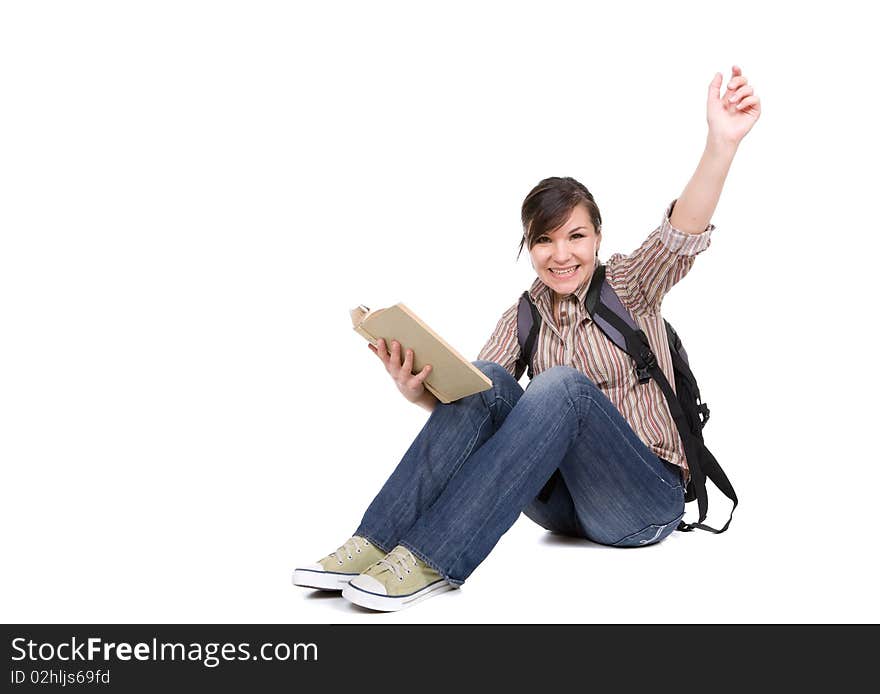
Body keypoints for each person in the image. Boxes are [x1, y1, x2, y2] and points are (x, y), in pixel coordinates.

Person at [293, 66, 761, 611]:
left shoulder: (631, 283)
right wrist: (416, 387)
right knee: (485, 381)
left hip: (641, 501)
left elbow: (681, 232)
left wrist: (720, 144)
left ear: (597, 238)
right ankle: (373, 542)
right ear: (529, 246)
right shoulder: (523, 313)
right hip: (563, 509)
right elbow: (469, 411)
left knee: (564, 385)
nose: (560, 255)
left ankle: (431, 559)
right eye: (544, 240)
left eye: (575, 237)